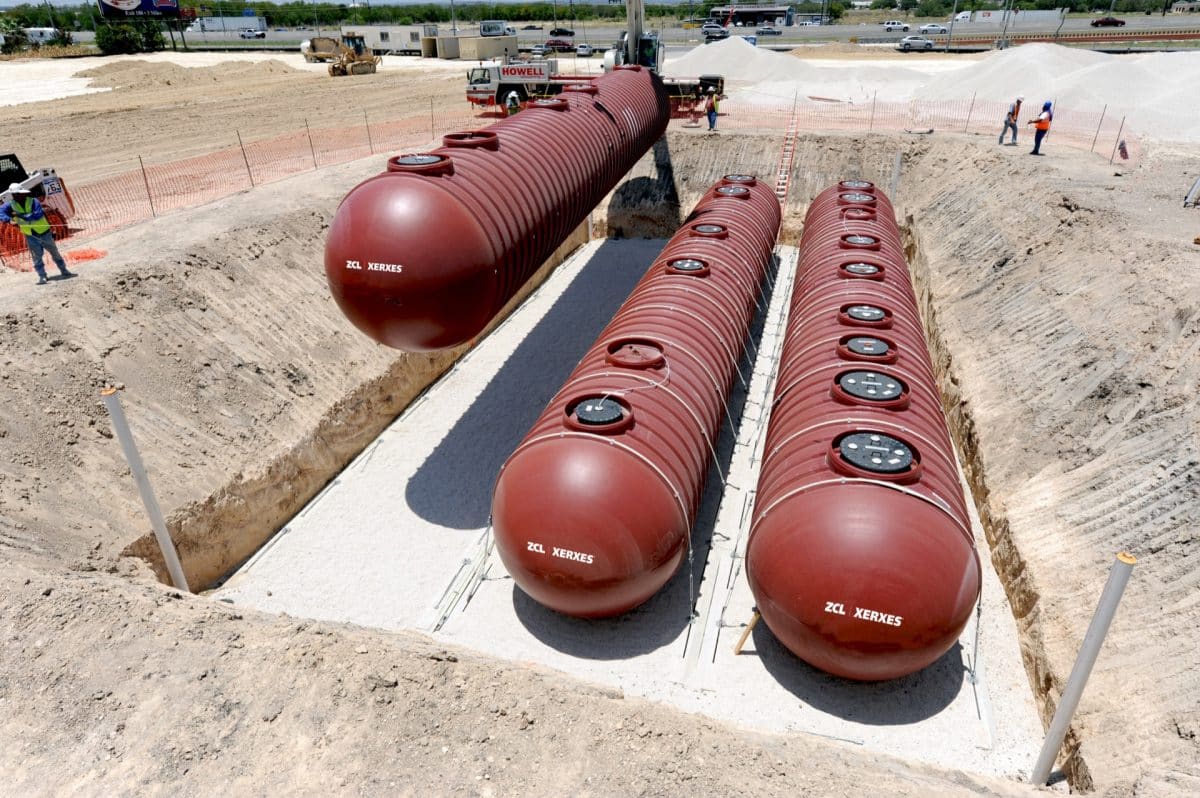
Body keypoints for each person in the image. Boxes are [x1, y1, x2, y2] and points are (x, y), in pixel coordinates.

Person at [0, 184, 74, 285]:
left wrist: (19, 215)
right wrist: (9, 220)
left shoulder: (34, 201)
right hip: (30, 236)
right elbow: (1, 212)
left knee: (55, 253)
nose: (17, 196)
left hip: (44, 233)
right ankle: (42, 276)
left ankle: (64, 270)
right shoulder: (10, 205)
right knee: (37, 258)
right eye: (15, 194)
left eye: (18, 194)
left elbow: (37, 215)